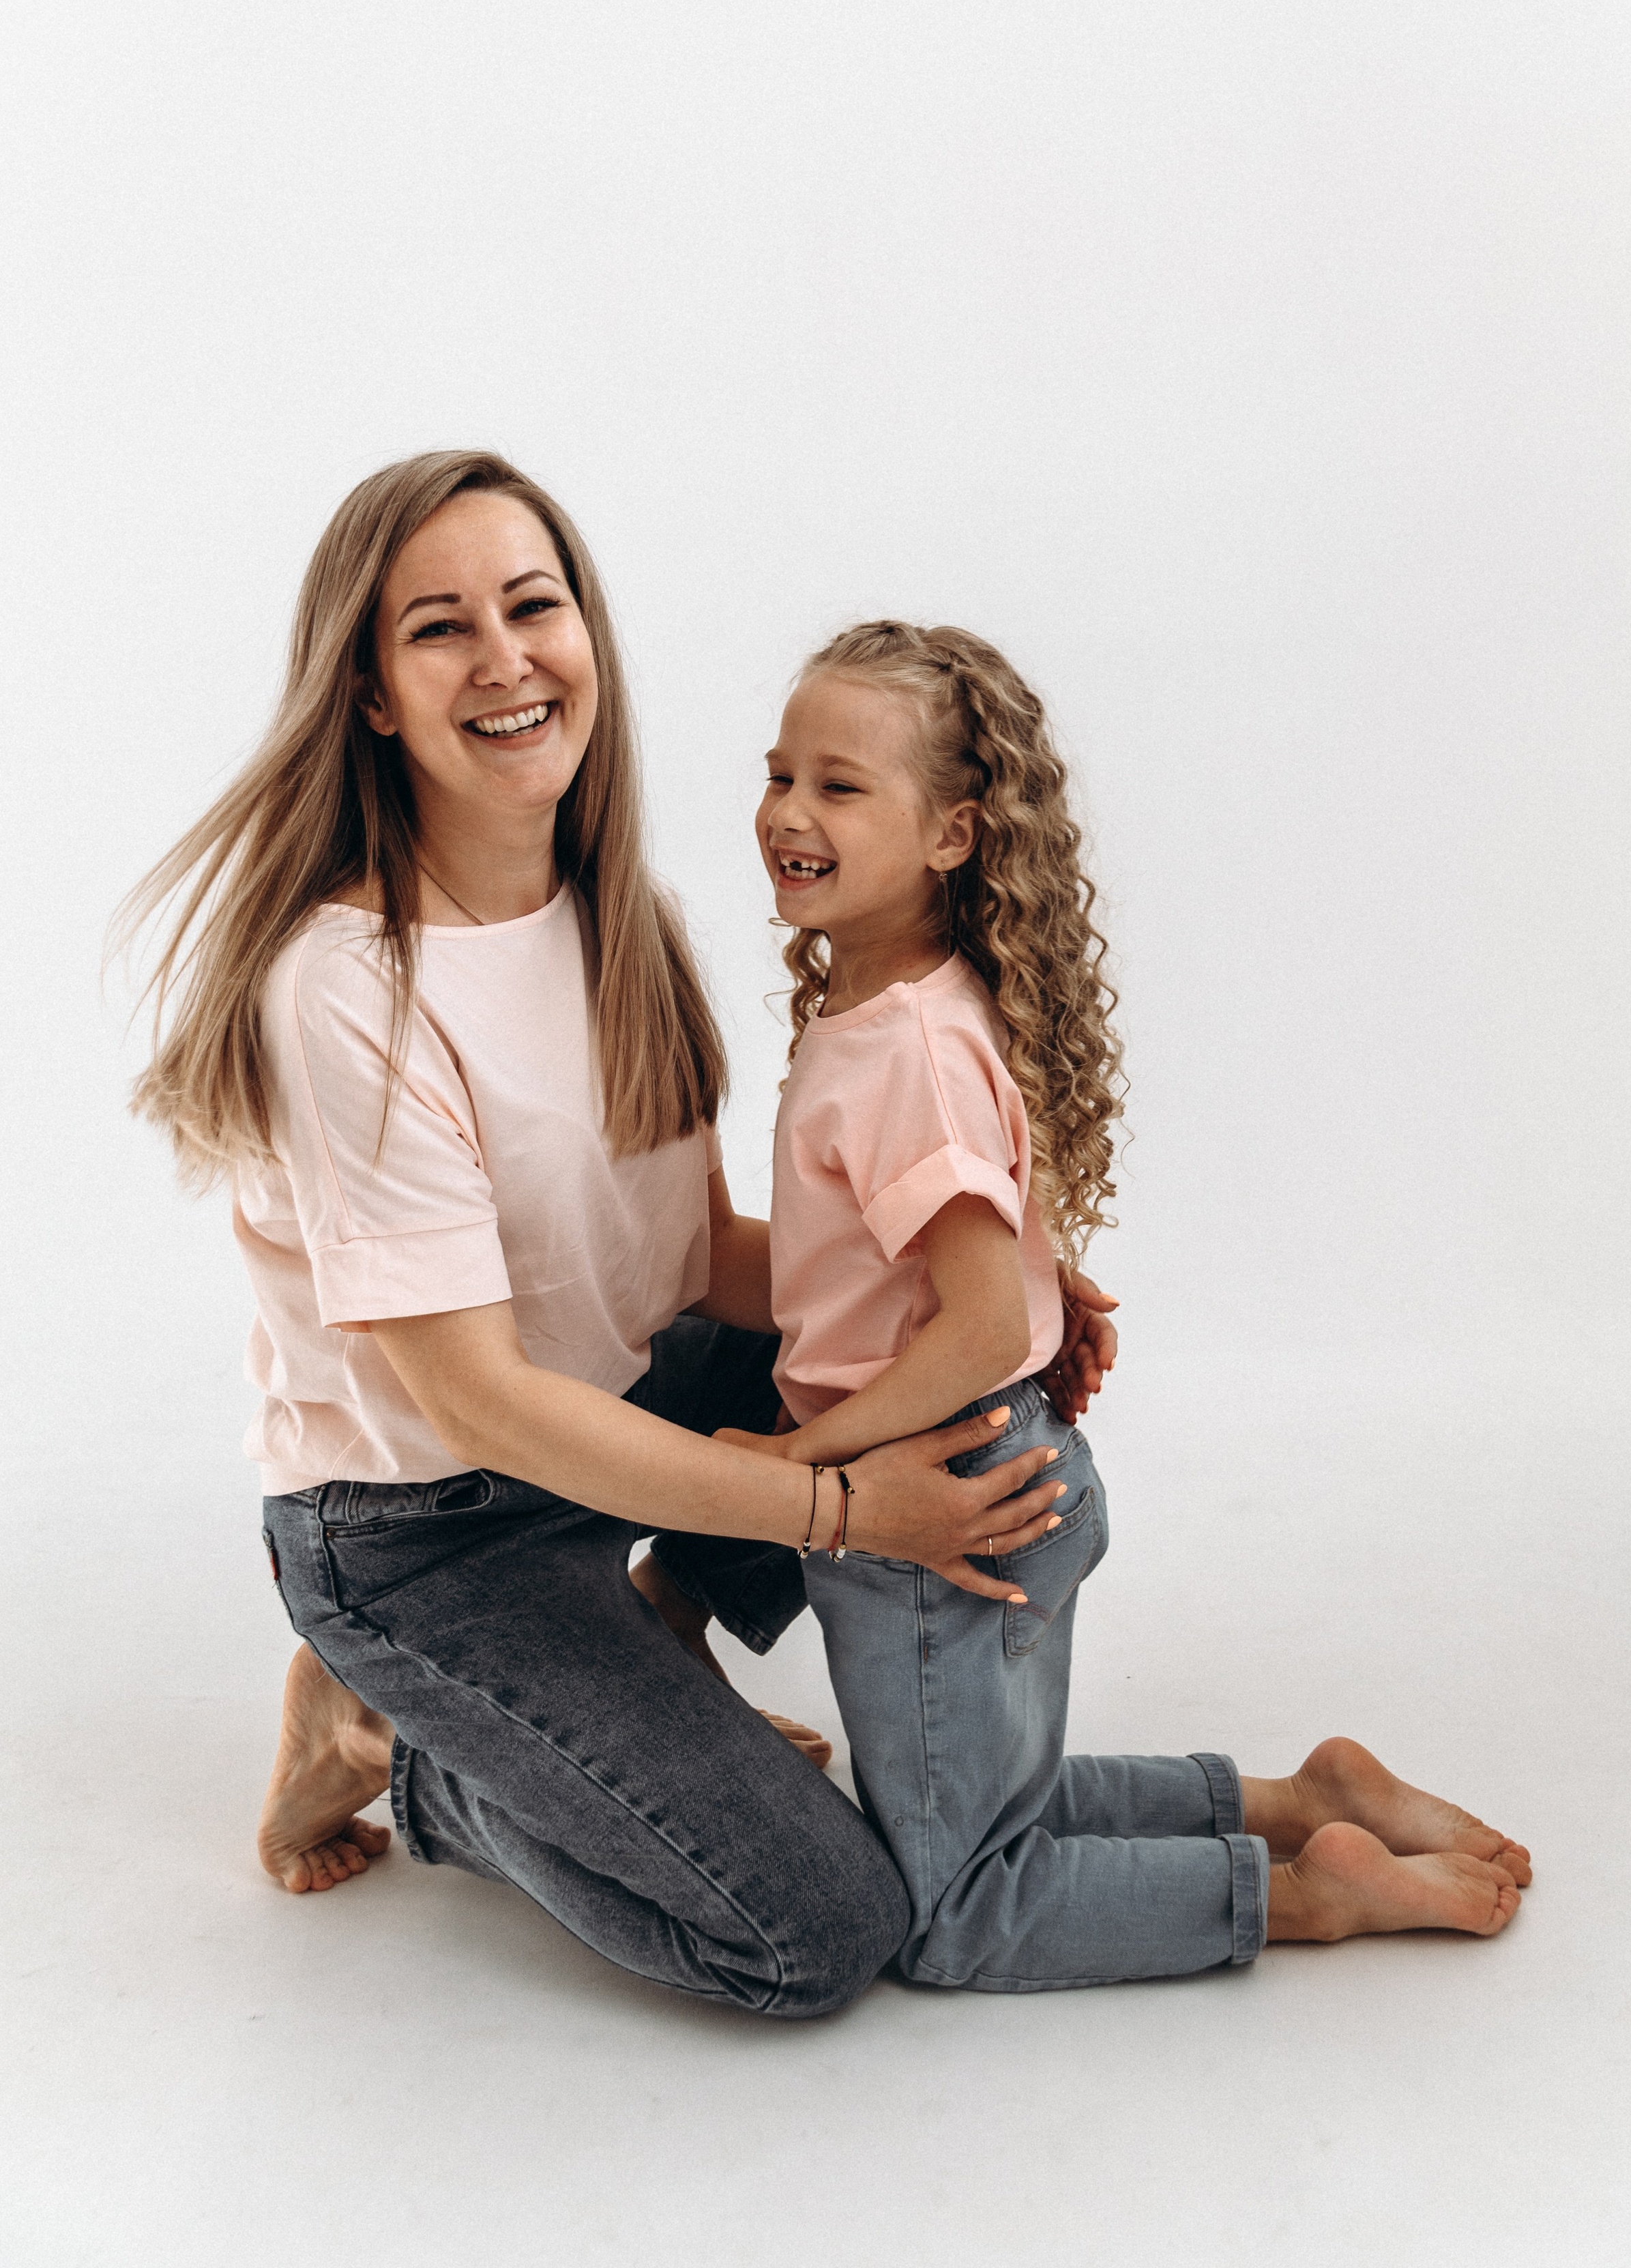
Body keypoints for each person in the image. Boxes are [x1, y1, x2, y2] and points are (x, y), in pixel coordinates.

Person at [121, 450, 1109, 2021]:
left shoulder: (608, 909)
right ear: (372, 694)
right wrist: (837, 1507)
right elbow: (482, 1405)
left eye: (534, 605)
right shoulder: (341, 993)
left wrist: (981, 1291)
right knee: (814, 1930)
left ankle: (635, 1644)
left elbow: (680, 1260)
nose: (507, 657)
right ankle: (408, 1755)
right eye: (441, 628)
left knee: (941, 1371)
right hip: (428, 1529)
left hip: (619, 1401)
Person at [712, 620, 1531, 1982]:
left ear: (952, 835)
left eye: (840, 785)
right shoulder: (901, 1009)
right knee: (989, 1821)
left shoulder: (902, 1046)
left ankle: (1309, 1899)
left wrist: (798, 1460)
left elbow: (975, 1321)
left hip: (938, 1501)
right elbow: (933, 1270)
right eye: (779, 771)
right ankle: (1294, 1806)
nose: (788, 812)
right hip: (993, 1461)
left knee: (955, 1907)